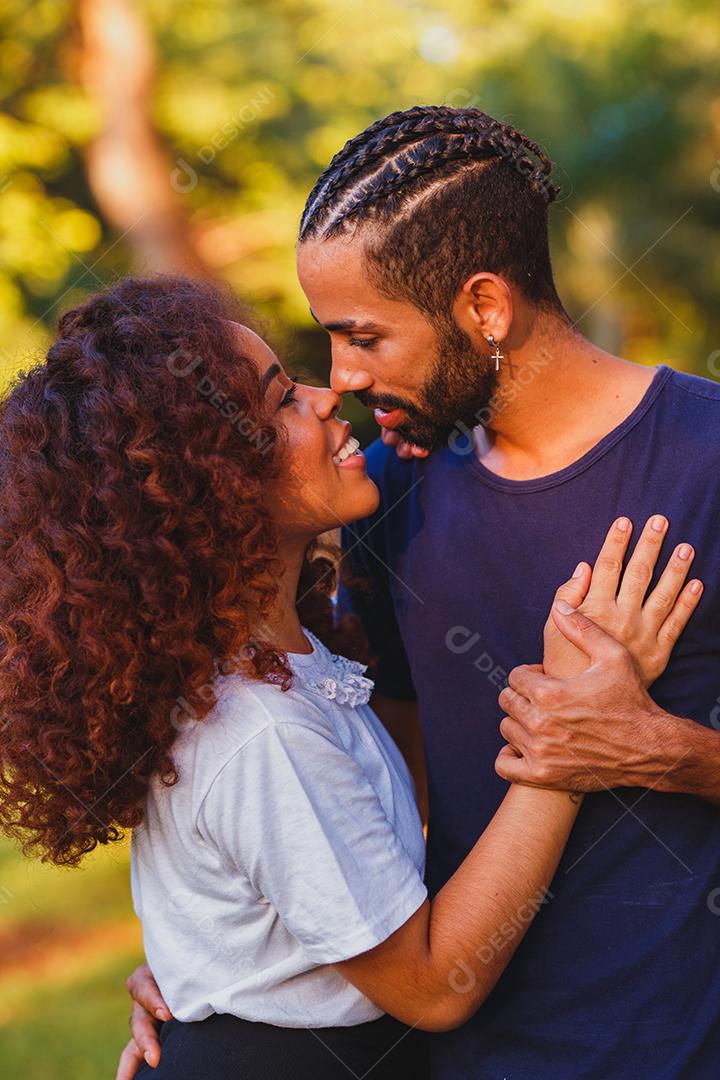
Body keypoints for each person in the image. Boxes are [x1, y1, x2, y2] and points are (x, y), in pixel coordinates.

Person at [126, 105, 720, 1078]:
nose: (342, 379)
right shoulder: (393, 487)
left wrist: (670, 754)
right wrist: (221, 977)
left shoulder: (705, 459)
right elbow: (372, 786)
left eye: (361, 336)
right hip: (454, 1056)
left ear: (483, 307)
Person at [0, 276, 696, 1080]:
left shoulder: (288, 664)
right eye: (281, 402)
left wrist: (210, 970)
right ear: (214, 485)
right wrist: (571, 737)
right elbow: (435, 987)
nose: (329, 395)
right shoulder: (260, 730)